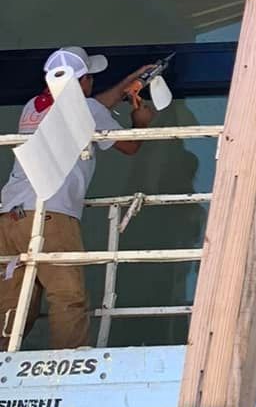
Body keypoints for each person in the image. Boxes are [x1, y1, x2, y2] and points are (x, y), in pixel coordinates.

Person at [0, 48, 156, 350]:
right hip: (51, 215)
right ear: (82, 81)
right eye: (90, 78)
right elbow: (130, 147)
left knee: (14, 301)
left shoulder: (33, 106)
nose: (92, 83)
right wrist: (141, 121)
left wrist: (129, 82)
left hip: (10, 215)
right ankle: (68, 361)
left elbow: (91, 107)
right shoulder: (88, 109)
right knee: (67, 295)